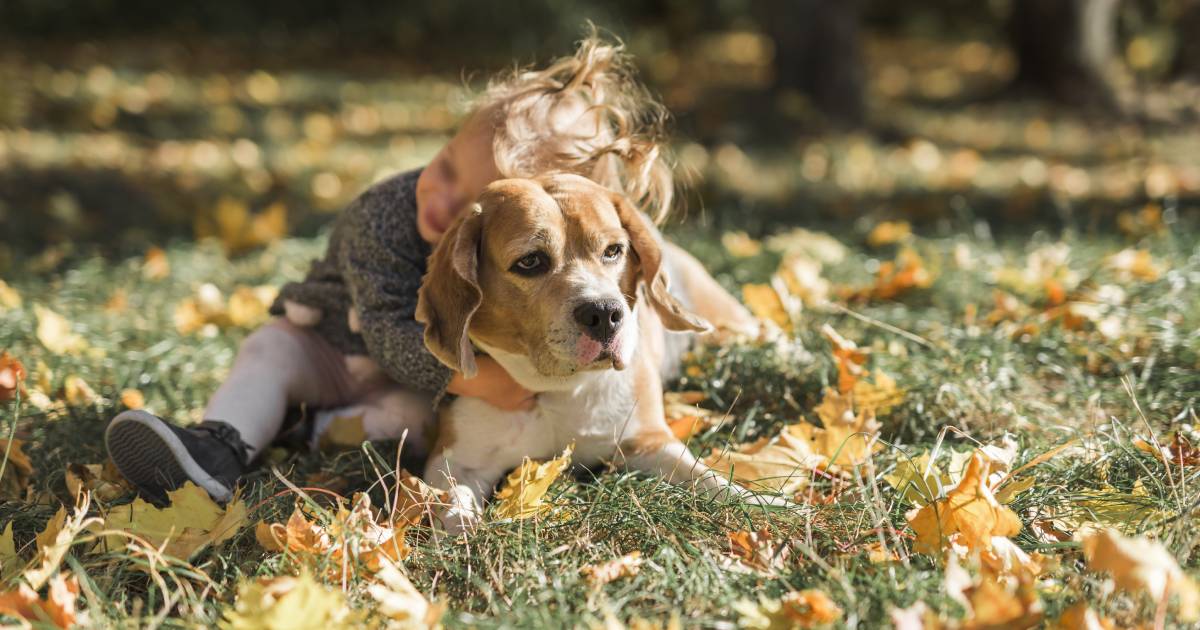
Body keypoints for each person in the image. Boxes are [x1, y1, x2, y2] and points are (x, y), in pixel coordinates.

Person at [104, 32, 678, 502]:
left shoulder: (510, 231)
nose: (444, 204)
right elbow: (382, 328)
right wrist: (476, 378)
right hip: (329, 346)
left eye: (476, 196)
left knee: (403, 422)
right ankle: (215, 447)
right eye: (446, 166)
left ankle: (307, 429)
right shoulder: (382, 215)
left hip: (411, 376)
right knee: (268, 353)